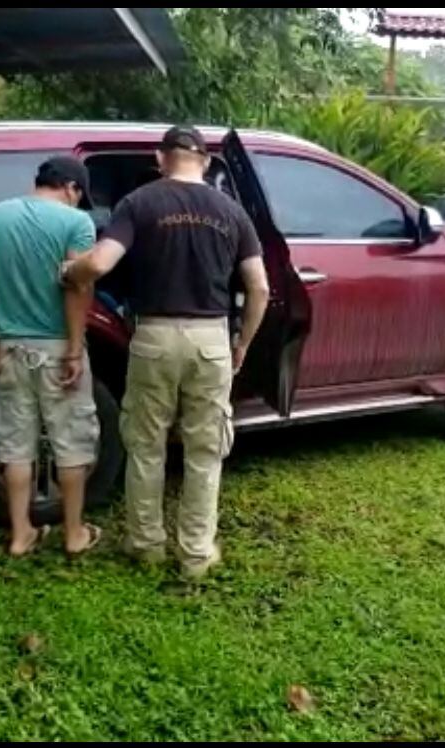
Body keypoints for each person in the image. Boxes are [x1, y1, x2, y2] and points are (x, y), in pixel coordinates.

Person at [62, 125, 270, 580]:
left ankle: (146, 543)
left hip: (154, 338)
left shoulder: (139, 203)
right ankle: (196, 553)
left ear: (160, 158)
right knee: (205, 449)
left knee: (146, 444)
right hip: (210, 340)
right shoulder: (232, 211)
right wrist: (242, 345)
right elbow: (259, 287)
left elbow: (98, 264)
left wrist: (69, 270)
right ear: (207, 162)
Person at [0, 156, 102, 558]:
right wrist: (75, 349)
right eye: (79, 196)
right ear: (71, 188)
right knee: (71, 441)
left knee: (15, 443)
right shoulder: (76, 224)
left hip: (9, 349)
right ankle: (74, 534)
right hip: (58, 348)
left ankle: (21, 534)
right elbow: (78, 289)